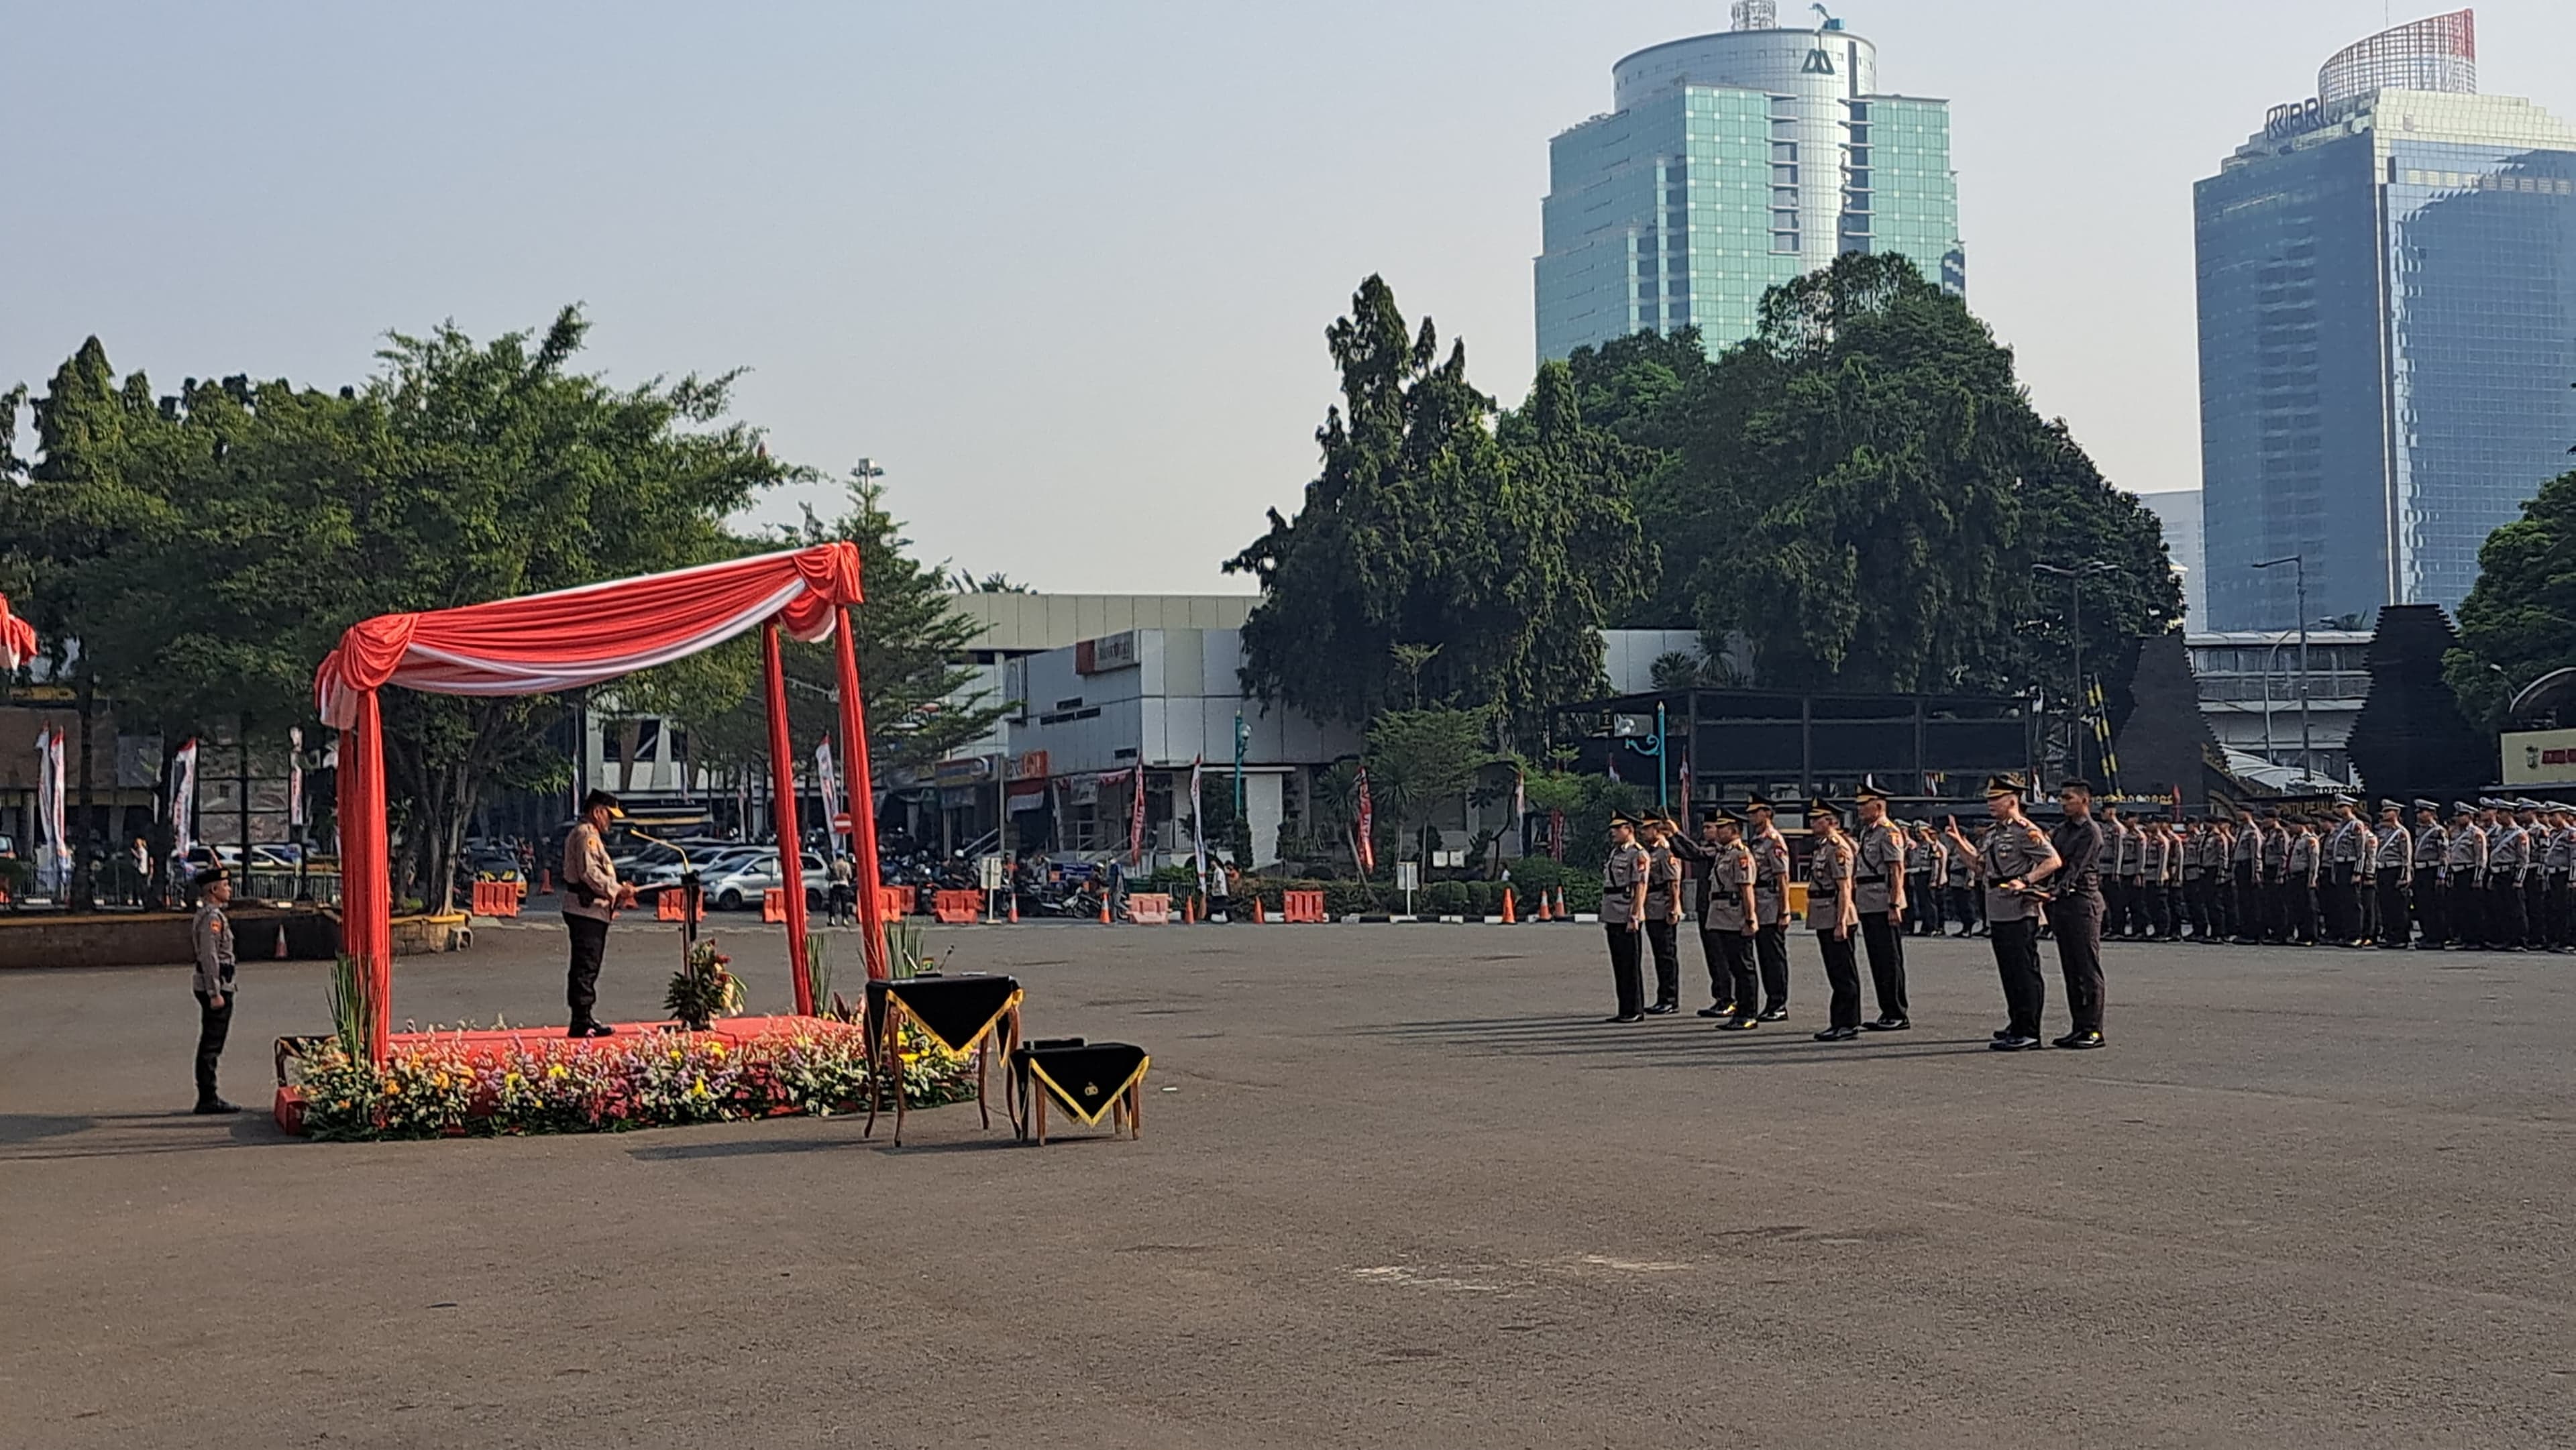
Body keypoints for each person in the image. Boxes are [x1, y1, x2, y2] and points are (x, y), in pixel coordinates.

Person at [1945, 775, 2061, 1052]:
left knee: (2024, 971)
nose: (1990, 804)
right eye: (1988, 799)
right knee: (2009, 971)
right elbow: (1980, 867)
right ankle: (2016, 1022)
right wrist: (1959, 842)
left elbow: (2053, 860)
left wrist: (2027, 880)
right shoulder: (1994, 833)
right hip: (1997, 906)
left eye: (1995, 799)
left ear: (2012, 801)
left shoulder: (2025, 830)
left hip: (2019, 908)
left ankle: (2029, 1030)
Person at [561, 789, 638, 1038]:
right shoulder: (587, 834)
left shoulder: (589, 834)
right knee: (586, 964)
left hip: (593, 909)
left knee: (589, 964)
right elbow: (590, 873)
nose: (611, 822)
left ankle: (583, 1017)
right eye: (609, 816)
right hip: (586, 909)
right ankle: (581, 1020)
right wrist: (617, 890)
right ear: (597, 812)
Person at [2045, 779, 2108, 1049]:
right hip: (2063, 903)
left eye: (2069, 798)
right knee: (2070, 967)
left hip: (2083, 901)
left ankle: (2093, 1029)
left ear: (2085, 800)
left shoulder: (2091, 832)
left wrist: (2056, 891)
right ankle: (2078, 1026)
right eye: (2061, 798)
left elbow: (2077, 868)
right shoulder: (2061, 831)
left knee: (2087, 966)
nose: (2063, 803)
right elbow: (2053, 862)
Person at [1850, 780, 1910, 1031]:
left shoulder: (1889, 832)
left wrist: (1895, 903)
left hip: (1884, 900)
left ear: (1878, 805)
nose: (1860, 810)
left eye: (1864, 805)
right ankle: (1887, 1010)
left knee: (1889, 958)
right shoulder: (1868, 832)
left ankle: (1897, 1012)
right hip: (1868, 901)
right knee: (1877, 958)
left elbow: (1896, 870)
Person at [1803, 799, 1863, 1042]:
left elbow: (1844, 888)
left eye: (1817, 819)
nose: (1812, 823)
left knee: (1843, 971)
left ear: (1831, 822)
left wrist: (1841, 922)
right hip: (1823, 913)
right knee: (1835, 970)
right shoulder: (1823, 846)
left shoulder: (1838, 847)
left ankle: (1847, 1023)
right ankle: (1839, 1020)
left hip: (1836, 913)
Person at [1700, 810, 1762, 1029]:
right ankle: (1739, 1012)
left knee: (1744, 966)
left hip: (1735, 914)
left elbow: (1746, 889)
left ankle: (1749, 1013)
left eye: (1722, 827)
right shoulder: (1724, 853)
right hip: (1721, 916)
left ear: (1734, 830)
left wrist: (1750, 917)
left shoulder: (1740, 854)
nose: (1717, 831)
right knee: (1733, 966)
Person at [188, 865, 241, 1113]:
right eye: (225, 886)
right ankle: (208, 1096)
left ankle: (208, 1094)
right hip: (216, 984)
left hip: (219, 982)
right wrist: (215, 992)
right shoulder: (212, 918)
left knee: (212, 1041)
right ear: (213, 889)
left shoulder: (213, 915)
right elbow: (210, 957)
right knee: (211, 1043)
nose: (229, 889)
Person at [1743, 795, 1794, 1020]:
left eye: (1755, 812)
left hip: (1770, 901)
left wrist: (1784, 910)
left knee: (1774, 956)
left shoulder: (1774, 841)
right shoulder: (1756, 840)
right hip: (1758, 899)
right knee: (1764, 956)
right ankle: (1771, 1001)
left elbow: (1782, 878)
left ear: (1767, 813)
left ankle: (1778, 1003)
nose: (1751, 816)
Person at [1598, 816, 1652, 1023]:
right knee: (1619, 963)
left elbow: (1640, 886)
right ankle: (1624, 1008)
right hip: (1613, 912)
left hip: (1627, 912)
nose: (1612, 832)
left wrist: (1635, 915)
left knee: (1630, 964)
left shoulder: (1637, 854)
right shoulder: (1616, 853)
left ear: (1629, 829)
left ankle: (1635, 1009)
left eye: (1617, 828)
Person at [1638, 816, 1687, 1015]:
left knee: (1667, 955)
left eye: (1646, 829)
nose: (1643, 833)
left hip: (1663, 906)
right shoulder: (1651, 852)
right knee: (1659, 955)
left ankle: (1670, 999)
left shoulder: (1666, 851)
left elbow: (1674, 882)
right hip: (1652, 906)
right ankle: (1662, 997)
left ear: (1657, 829)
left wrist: (1674, 908)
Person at [2372, 799, 2414, 949]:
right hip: (2383, 870)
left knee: (2398, 906)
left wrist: (2404, 876)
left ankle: (2401, 937)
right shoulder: (2382, 832)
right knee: (2386, 906)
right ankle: (2390, 936)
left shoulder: (2401, 832)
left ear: (2396, 813)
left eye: (2387, 811)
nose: (2384, 814)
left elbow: (2406, 857)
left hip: (2395, 870)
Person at [2412, 800, 2449, 949]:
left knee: (2433, 906)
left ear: (2432, 813)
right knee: (2422, 905)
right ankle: (2427, 933)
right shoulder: (2419, 831)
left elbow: (2444, 854)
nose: (2419, 815)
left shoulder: (2439, 831)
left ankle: (2436, 937)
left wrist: (2441, 876)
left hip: (2432, 870)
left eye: (2423, 812)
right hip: (2420, 870)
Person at [2230, 808, 2265, 944]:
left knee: (2251, 903)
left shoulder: (2253, 832)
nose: (2237, 814)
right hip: (2240, 866)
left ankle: (2252, 933)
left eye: (2240, 811)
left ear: (2248, 813)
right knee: (2243, 902)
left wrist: (2256, 873)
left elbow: (2256, 854)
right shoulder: (2242, 830)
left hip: (2248, 867)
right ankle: (2244, 931)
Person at [2286, 818, 2322, 946]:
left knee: (2308, 907)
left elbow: (2314, 860)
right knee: (2297, 907)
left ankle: (2310, 936)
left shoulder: (2310, 839)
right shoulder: (2295, 840)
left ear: (2301, 826)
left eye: (2293, 824)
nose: (2290, 827)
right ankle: (2301, 935)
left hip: (2305, 875)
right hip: (2294, 876)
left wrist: (2312, 879)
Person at [828, 852, 855, 926]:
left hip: (834, 885)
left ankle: (832, 919)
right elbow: (850, 876)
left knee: (833, 903)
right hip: (844, 884)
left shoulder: (832, 865)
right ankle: (845, 919)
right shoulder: (847, 865)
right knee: (844, 903)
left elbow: (827, 876)